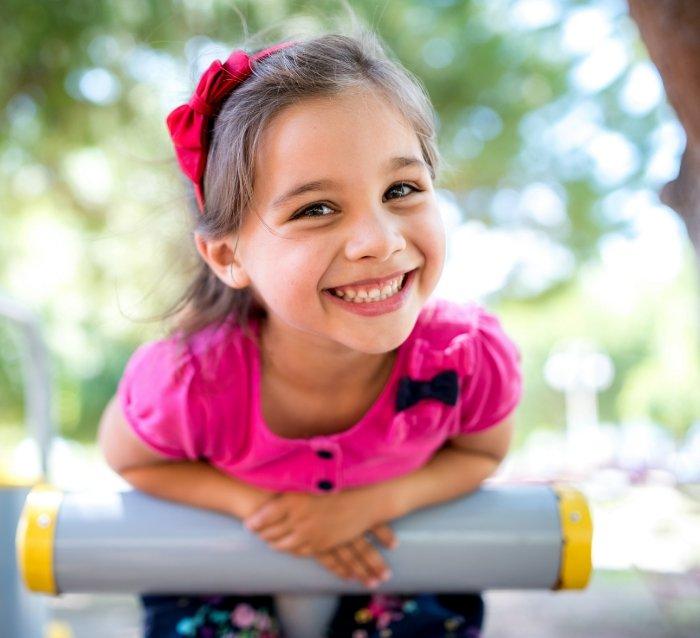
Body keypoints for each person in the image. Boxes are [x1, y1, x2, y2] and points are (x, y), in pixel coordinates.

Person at [97, 28, 523, 638]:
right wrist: (260, 511)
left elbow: (482, 453)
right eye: (315, 208)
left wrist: (372, 504)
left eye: (400, 189)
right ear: (227, 256)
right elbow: (130, 459)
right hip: (224, 576)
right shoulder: (189, 382)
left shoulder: (466, 361)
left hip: (391, 567)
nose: (378, 240)